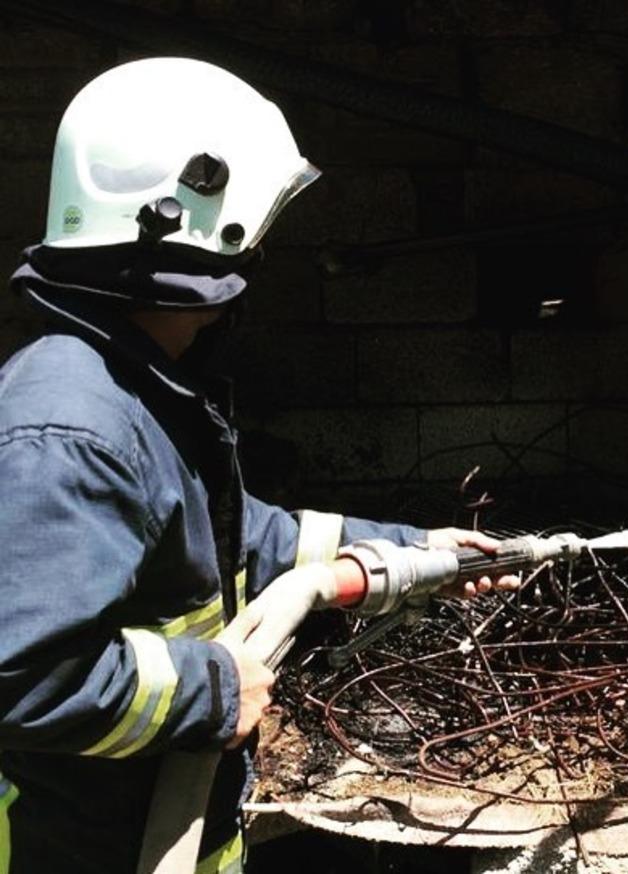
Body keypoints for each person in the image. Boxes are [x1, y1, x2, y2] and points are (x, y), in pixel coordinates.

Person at [0, 57, 513, 873]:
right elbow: (22, 680)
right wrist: (214, 689)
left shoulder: (131, 384)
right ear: (211, 212)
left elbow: (240, 537)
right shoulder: (71, 428)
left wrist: (420, 552)